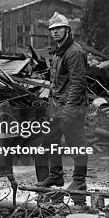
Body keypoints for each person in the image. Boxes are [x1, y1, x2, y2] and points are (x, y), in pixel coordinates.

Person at [35, 13, 89, 203]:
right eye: (52, 30)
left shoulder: (73, 52)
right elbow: (57, 82)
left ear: (67, 30)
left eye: (59, 29)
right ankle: (56, 176)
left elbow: (77, 84)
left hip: (71, 107)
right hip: (57, 106)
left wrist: (69, 109)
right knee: (51, 140)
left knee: (77, 144)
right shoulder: (59, 51)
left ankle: (79, 182)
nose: (55, 32)